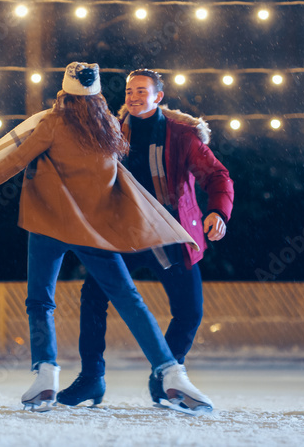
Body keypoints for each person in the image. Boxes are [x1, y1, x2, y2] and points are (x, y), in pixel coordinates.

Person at [0, 62, 214, 413]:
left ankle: (46, 375)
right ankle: (170, 373)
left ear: (65, 92)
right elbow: (123, 179)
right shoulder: (110, 129)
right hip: (92, 229)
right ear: (98, 94)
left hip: (48, 225)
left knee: (41, 301)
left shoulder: (54, 123)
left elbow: (14, 160)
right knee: (128, 298)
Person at [58, 68, 234, 407]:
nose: (134, 96)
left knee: (190, 311)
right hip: (123, 233)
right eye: (129, 91)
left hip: (168, 235)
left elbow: (217, 175)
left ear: (158, 97)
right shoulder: (111, 130)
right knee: (93, 296)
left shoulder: (182, 134)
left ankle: (167, 376)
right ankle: (91, 378)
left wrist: (217, 212)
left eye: (142, 90)